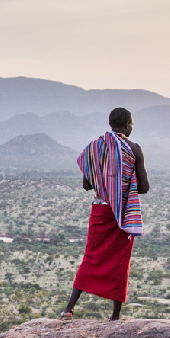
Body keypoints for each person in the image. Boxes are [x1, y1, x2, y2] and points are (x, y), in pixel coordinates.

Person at [60, 107, 149, 321]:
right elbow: (144, 187)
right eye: (132, 124)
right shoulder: (134, 148)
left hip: (100, 209)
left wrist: (105, 179)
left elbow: (85, 185)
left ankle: (69, 309)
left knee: (91, 257)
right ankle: (115, 317)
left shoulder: (93, 148)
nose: (132, 127)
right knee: (120, 261)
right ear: (127, 124)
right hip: (123, 212)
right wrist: (122, 184)